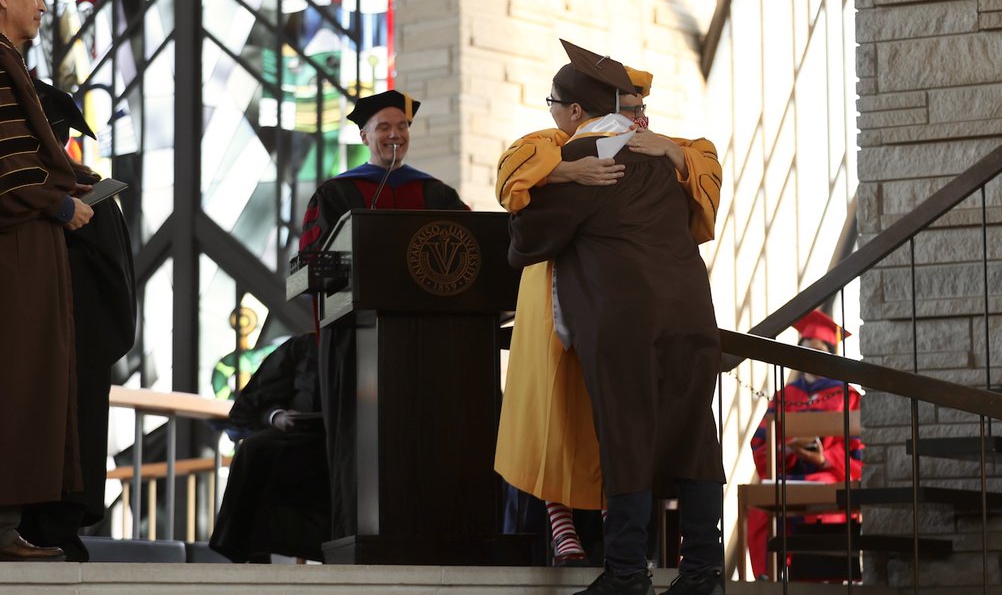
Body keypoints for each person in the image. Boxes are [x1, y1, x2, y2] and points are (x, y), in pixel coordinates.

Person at [508, 43, 725, 595]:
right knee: (697, 437)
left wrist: (556, 178)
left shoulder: (587, 159)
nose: (552, 113)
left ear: (575, 109)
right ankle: (703, 572)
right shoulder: (667, 157)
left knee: (626, 437)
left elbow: (526, 242)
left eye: (555, 102)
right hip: (692, 318)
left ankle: (629, 574)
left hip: (624, 323)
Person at [298, 89, 468, 540]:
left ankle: (438, 536)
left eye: (403, 126)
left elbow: (473, 252)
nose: (395, 135)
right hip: (358, 344)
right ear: (364, 134)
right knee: (364, 442)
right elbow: (312, 267)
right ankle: (361, 535)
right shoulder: (335, 194)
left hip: (431, 345)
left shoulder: (437, 192)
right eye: (384, 127)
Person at [0, 0, 93, 562]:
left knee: (30, 375)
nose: (42, 0)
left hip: (29, 244)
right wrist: (57, 204)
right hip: (13, 244)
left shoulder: (10, 61)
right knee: (14, 376)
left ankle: (7, 525)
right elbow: (5, 164)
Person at [17, 81, 136, 562]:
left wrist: (80, 344)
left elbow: (115, 283)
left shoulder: (92, 194)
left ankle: (56, 526)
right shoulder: (21, 196)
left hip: (75, 347)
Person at [747, 311, 863, 581]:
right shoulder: (784, 396)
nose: (809, 356)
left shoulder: (847, 395)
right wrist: (785, 451)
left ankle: (825, 574)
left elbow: (862, 453)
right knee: (763, 500)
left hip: (830, 473)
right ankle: (767, 576)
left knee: (814, 490)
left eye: (817, 349)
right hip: (788, 472)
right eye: (804, 349)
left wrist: (824, 459)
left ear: (830, 353)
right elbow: (760, 445)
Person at [209, 332, 329, 562]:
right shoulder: (305, 346)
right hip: (302, 436)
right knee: (256, 449)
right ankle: (247, 551)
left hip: (349, 445)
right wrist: (277, 417)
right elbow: (249, 408)